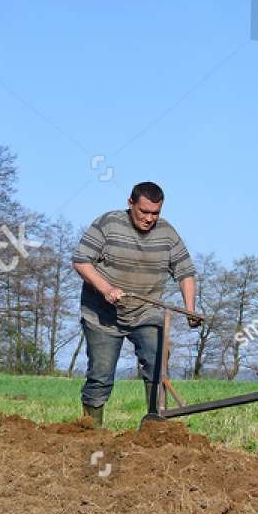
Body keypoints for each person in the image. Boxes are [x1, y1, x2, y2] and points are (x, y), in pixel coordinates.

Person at [71, 182, 198, 427]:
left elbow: (185, 273)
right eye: (144, 212)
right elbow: (81, 260)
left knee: (157, 363)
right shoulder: (108, 224)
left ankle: (155, 425)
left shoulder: (167, 234)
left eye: (155, 213)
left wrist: (190, 309)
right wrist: (105, 288)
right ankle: (91, 432)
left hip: (145, 313)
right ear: (130, 204)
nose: (150, 218)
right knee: (100, 374)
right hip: (102, 315)